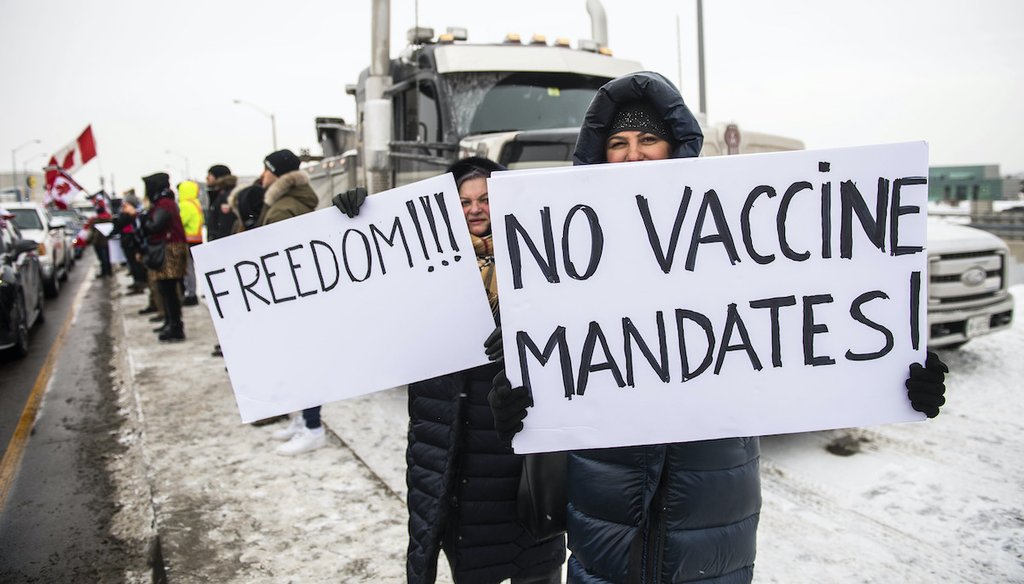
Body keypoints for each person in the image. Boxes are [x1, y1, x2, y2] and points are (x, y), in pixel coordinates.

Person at [485, 71, 950, 584]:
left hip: (710, 510)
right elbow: (547, 379)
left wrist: (892, 376)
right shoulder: (564, 255)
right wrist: (516, 402)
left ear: (675, 146)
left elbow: (800, 333)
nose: (632, 155)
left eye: (648, 139)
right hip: (606, 513)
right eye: (617, 142)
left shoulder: (729, 247)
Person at [332, 157, 565, 584]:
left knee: (534, 563)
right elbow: (368, 302)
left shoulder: (545, 260)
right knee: (475, 562)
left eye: (485, 199)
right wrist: (358, 223)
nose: (475, 209)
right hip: (454, 454)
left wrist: (525, 334)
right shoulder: (419, 267)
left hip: (522, 455)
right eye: (463, 202)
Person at [252, 149, 327, 455]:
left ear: (277, 174)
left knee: (303, 360)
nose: (262, 176)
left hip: (292, 297)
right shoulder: (293, 201)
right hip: (300, 296)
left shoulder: (283, 208)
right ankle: (303, 419)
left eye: (266, 169)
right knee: (299, 359)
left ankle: (312, 427)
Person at [123, 172, 189, 342]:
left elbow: (155, 226)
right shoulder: (163, 202)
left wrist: (142, 219)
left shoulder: (165, 204)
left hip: (169, 250)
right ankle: (170, 321)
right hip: (166, 249)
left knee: (169, 290)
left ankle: (175, 326)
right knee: (165, 289)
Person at [205, 164, 237, 356]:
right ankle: (226, 340)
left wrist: (218, 249)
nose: (206, 179)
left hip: (224, 255)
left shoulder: (226, 196)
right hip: (218, 253)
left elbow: (224, 227)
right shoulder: (219, 194)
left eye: (209, 176)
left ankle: (230, 342)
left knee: (229, 303)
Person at [178, 180, 204, 306]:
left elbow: (180, 222)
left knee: (188, 269)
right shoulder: (196, 203)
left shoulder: (185, 205)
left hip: (188, 240)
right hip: (197, 239)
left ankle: (191, 294)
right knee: (193, 268)